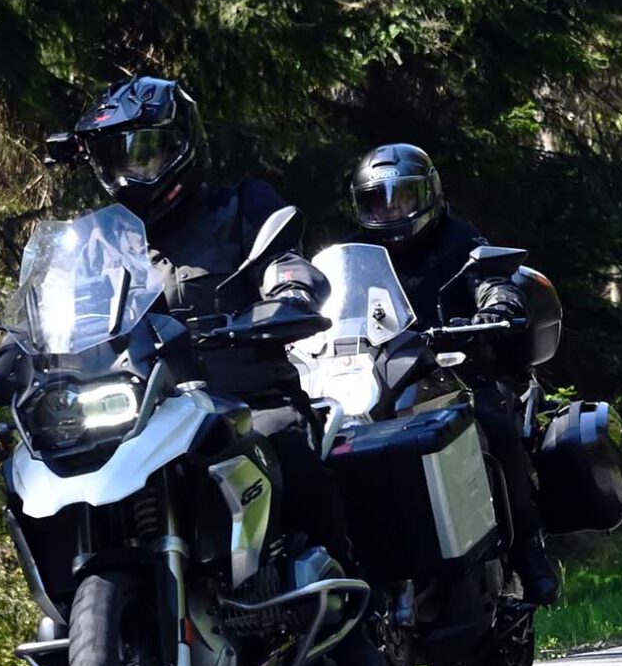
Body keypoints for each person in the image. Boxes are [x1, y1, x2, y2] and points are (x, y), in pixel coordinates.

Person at [54, 76, 345, 548]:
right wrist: (4, 358)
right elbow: (55, 307)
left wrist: (290, 291)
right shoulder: (96, 241)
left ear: (183, 143)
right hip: (139, 419)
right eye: (117, 156)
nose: (131, 171)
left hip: (247, 403)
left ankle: (348, 604)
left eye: (145, 152)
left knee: (288, 452)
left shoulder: (240, 206)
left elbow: (283, 262)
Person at [349, 143, 563, 607]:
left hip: (461, 371)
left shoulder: (458, 240)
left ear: (429, 195)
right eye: (379, 201)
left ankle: (529, 553)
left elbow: (490, 278)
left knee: (494, 424)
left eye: (402, 198)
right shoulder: (362, 253)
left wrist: (497, 303)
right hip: (385, 375)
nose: (391, 210)